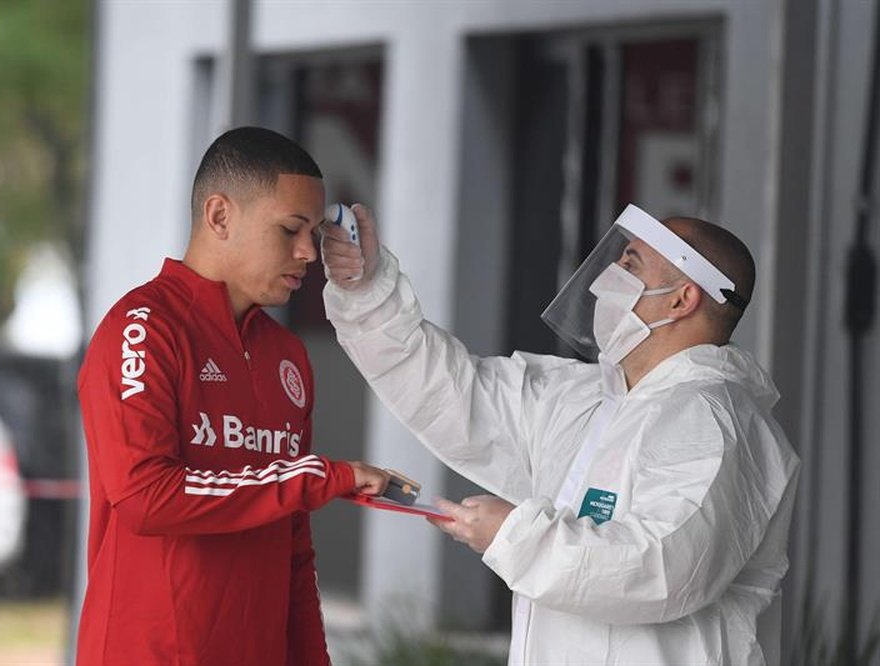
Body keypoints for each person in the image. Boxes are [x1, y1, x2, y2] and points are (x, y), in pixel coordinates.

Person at [321, 203, 800, 665]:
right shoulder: (585, 398)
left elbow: (663, 568)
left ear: (682, 299)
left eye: (630, 263)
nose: (608, 277)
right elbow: (450, 392)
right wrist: (366, 294)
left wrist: (514, 535)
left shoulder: (713, 422)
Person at [76, 126, 389, 665]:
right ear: (219, 216)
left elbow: (293, 546)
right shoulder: (143, 327)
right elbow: (145, 498)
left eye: (313, 233)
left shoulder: (287, 355)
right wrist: (319, 476)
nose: (306, 253)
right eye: (291, 228)